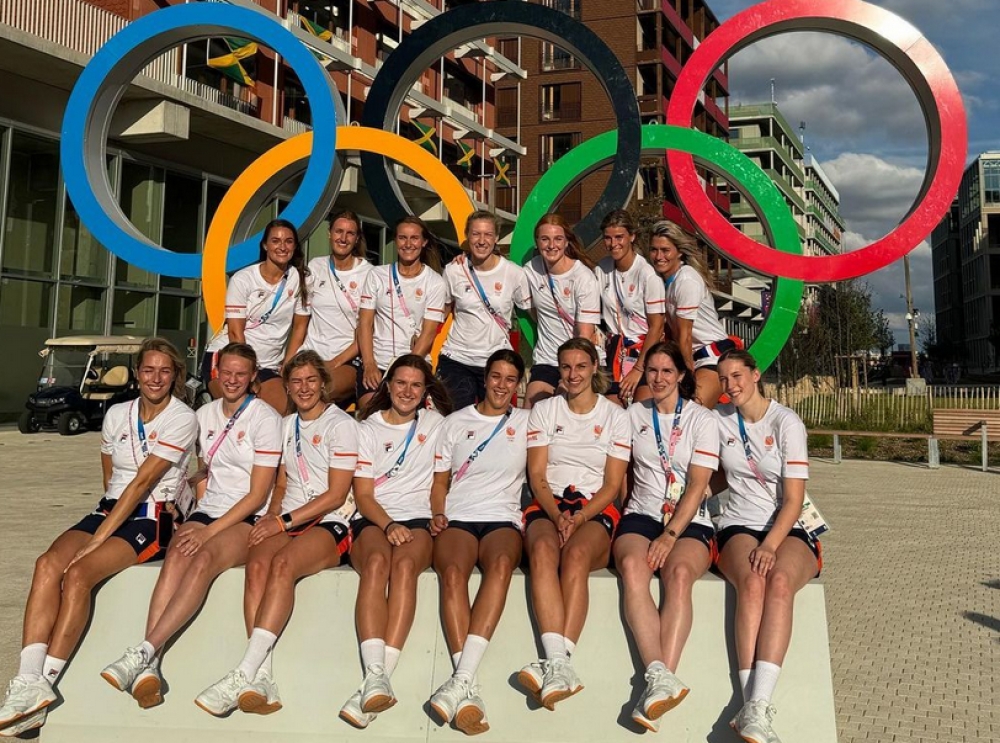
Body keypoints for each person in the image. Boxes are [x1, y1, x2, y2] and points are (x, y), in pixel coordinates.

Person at [0, 338, 197, 736]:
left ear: (174, 375)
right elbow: (111, 478)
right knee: (47, 563)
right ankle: (28, 681)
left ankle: (47, 681)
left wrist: (97, 539)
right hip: (112, 507)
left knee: (78, 575)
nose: (155, 378)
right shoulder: (116, 413)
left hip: (150, 515)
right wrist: (101, 525)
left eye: (164, 371)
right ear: (137, 373)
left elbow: (142, 483)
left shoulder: (182, 417)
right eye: (148, 370)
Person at [100, 343, 282, 715]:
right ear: (216, 374)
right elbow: (203, 467)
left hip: (246, 515)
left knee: (202, 559)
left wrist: (208, 532)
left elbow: (258, 493)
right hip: (208, 508)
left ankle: (145, 650)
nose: (232, 380)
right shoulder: (204, 413)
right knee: (175, 559)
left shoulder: (266, 418)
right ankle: (148, 666)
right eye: (226, 372)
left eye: (241, 374)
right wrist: (189, 508)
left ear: (253, 379)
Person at [194, 350, 358, 715]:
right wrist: (269, 518)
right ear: (286, 387)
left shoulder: (340, 425)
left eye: (311, 381)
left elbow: (335, 494)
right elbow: (281, 486)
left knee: (282, 565)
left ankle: (244, 671)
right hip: (288, 516)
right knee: (257, 562)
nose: (304, 388)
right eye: (296, 382)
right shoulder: (285, 425)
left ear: (324, 385)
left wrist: (282, 522)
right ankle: (262, 676)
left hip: (330, 519)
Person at [339, 355, 453, 728]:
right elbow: (365, 495)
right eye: (401, 383)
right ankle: (376, 675)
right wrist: (388, 526)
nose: (407, 391)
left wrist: (438, 513)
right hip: (375, 517)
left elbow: (439, 483)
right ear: (388, 386)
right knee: (376, 565)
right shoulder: (368, 428)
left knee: (404, 567)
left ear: (426, 392)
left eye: (416, 385)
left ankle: (377, 680)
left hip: (418, 517)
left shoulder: (437, 425)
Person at [714, 349, 821, 743]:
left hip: (785, 525)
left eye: (738, 376)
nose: (731, 386)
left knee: (778, 583)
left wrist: (771, 545)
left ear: (756, 375)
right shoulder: (717, 420)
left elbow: (793, 499)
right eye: (724, 380)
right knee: (754, 582)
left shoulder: (786, 422)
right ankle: (753, 708)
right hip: (737, 524)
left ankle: (756, 706)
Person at [517, 338, 630, 709]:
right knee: (544, 550)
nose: (573, 374)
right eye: (566, 367)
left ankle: (557, 661)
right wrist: (557, 515)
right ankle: (559, 663)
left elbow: (613, 484)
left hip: (594, 506)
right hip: (549, 503)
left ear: (594, 367)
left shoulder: (615, 416)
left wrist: (580, 516)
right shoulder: (546, 410)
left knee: (578, 556)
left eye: (581, 366)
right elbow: (537, 474)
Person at [613, 341, 720, 732]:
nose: (658, 379)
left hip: (688, 518)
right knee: (631, 565)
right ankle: (660, 678)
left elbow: (698, 484)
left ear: (681, 376)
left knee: (677, 575)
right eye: (652, 371)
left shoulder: (701, 420)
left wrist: (670, 535)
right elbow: (621, 473)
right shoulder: (631, 414)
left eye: (666, 371)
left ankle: (659, 684)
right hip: (642, 513)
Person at [427, 349, 529, 734]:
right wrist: (438, 512)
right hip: (459, 514)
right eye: (496, 376)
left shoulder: (527, 422)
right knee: (452, 572)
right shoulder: (453, 423)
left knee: (501, 567)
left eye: (510, 379)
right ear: (484, 379)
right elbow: (440, 482)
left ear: (518, 385)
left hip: (502, 517)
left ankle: (460, 680)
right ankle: (465, 684)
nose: (502, 385)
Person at [203, 219, 310, 412]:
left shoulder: (300, 278)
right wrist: (247, 372)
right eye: (276, 241)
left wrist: (288, 362)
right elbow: (236, 334)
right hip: (230, 357)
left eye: (288, 241)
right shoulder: (243, 279)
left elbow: (300, 326)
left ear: (294, 246)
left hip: (268, 365)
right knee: (243, 410)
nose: (282, 247)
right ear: (265, 245)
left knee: (283, 412)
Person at [437, 211, 531, 409]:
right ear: (467, 236)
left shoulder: (514, 273)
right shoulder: (453, 270)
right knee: (457, 421)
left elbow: (531, 313)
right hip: (457, 358)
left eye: (488, 234)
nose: (481, 240)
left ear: (496, 237)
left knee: (494, 422)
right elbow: (441, 312)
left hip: (496, 362)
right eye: (475, 234)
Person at [357, 216, 447, 409]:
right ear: (395, 240)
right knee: (371, 414)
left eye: (414, 238)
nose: (408, 244)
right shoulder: (376, 275)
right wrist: (369, 364)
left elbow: (429, 333)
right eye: (402, 238)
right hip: (378, 363)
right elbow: (365, 323)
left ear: (423, 242)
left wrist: (406, 371)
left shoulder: (435, 282)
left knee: (406, 418)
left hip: (413, 365)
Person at [648, 220, 735, 409]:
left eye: (665, 250)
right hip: (695, 356)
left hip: (713, 355)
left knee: (692, 409)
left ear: (679, 252)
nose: (659, 256)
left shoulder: (686, 279)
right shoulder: (664, 282)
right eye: (654, 250)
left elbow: (685, 335)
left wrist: (686, 375)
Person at [293, 210, 373, 406]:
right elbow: (300, 325)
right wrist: (289, 360)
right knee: (284, 397)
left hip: (346, 359)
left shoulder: (369, 274)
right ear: (329, 233)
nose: (343, 238)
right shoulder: (316, 266)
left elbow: (368, 329)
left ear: (356, 238)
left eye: (350, 233)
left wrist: (335, 362)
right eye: (338, 231)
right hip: (310, 355)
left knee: (317, 393)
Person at [523, 214, 601, 406]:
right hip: (547, 358)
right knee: (530, 411)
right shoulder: (530, 271)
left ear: (567, 242)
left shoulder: (583, 277)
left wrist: (570, 374)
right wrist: (466, 258)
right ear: (537, 242)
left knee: (569, 408)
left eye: (558, 239)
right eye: (545, 239)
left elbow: (584, 335)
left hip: (578, 358)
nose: (551, 245)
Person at [593, 209, 665, 406]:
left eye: (619, 237)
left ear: (632, 236)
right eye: (607, 238)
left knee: (640, 415)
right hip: (614, 353)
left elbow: (657, 327)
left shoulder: (647, 274)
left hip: (644, 354)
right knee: (612, 415)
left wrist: (638, 370)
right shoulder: (601, 269)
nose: (613, 243)